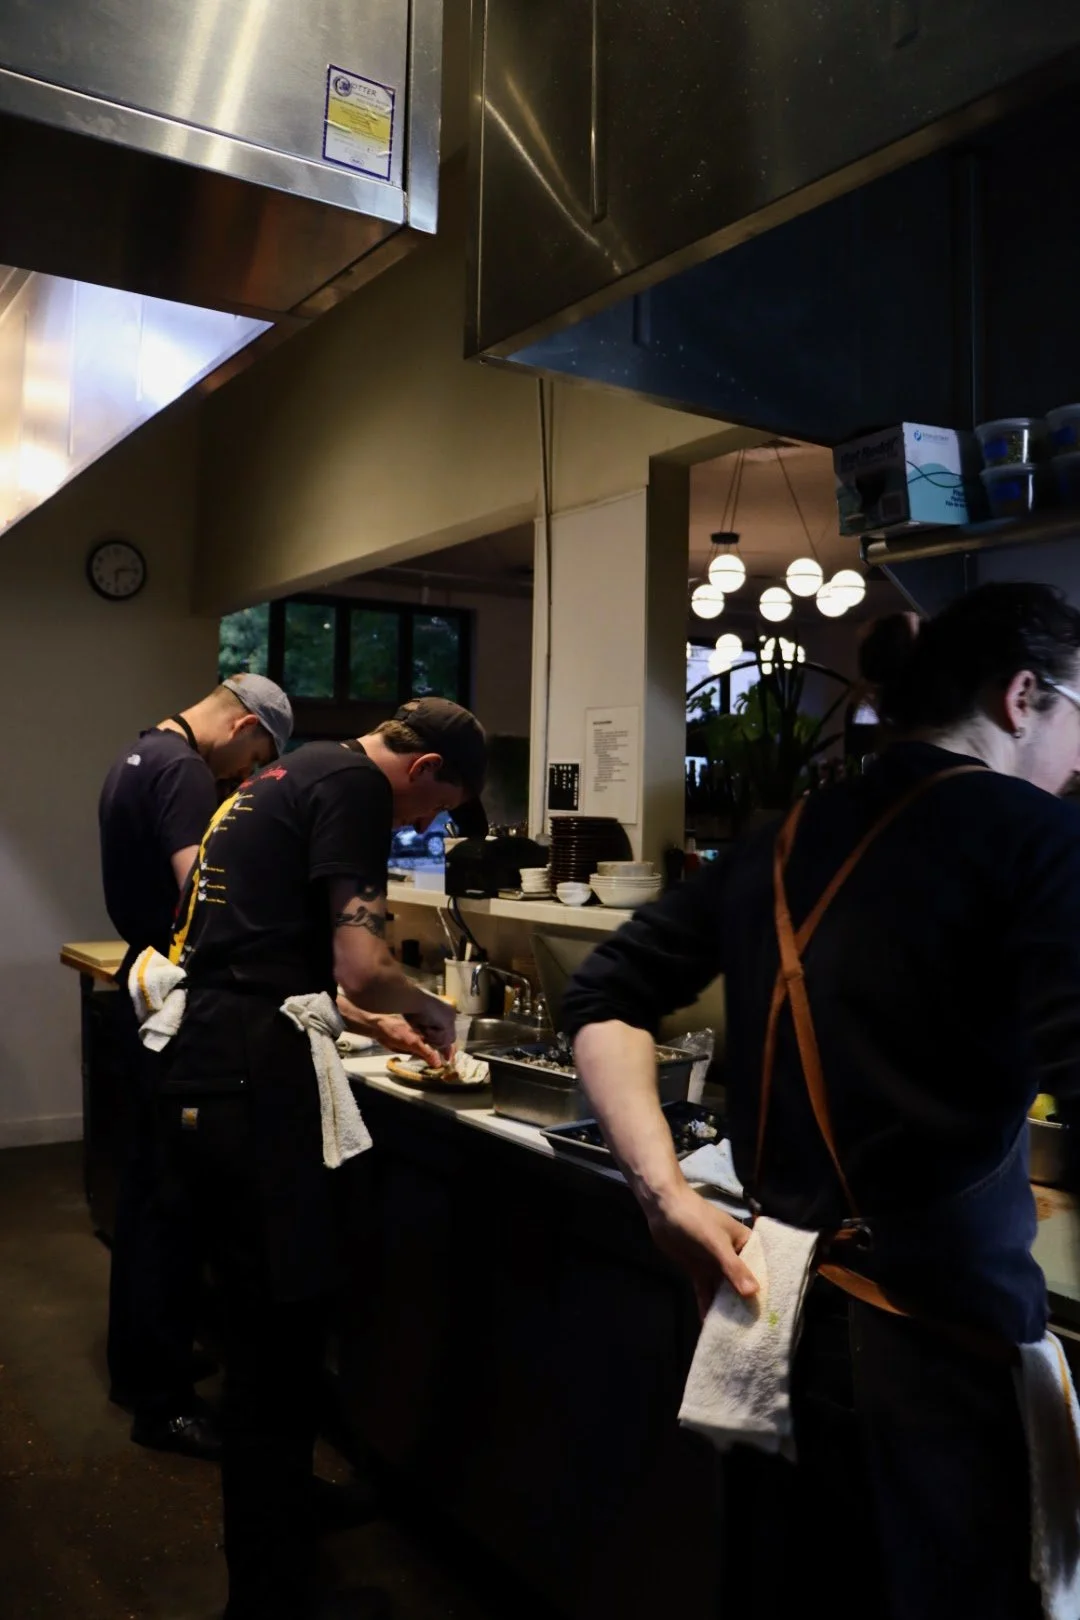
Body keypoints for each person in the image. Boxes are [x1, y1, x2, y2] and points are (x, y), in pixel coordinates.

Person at [562, 582, 1080, 1620]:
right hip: (943, 1349)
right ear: (1023, 695)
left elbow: (604, 998)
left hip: (777, 1317)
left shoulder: (782, 837)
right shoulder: (1034, 836)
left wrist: (663, 1194)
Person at [154, 698, 487, 1620]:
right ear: (421, 773)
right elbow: (360, 959)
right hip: (254, 1080)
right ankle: (269, 1593)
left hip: (206, 1058)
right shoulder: (354, 788)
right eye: (437, 809)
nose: (424, 826)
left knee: (261, 1327)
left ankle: (284, 1523)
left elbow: (261, 951)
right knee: (278, 1345)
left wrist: (368, 1016)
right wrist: (430, 1009)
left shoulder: (282, 774)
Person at [100, 674, 293, 1458]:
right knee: (171, 1208)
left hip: (142, 984)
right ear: (244, 723)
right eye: (254, 755)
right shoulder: (182, 770)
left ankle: (141, 1363)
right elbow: (201, 892)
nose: (243, 775)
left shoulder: (135, 757)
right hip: (177, 1001)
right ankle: (163, 1398)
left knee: (146, 1193)